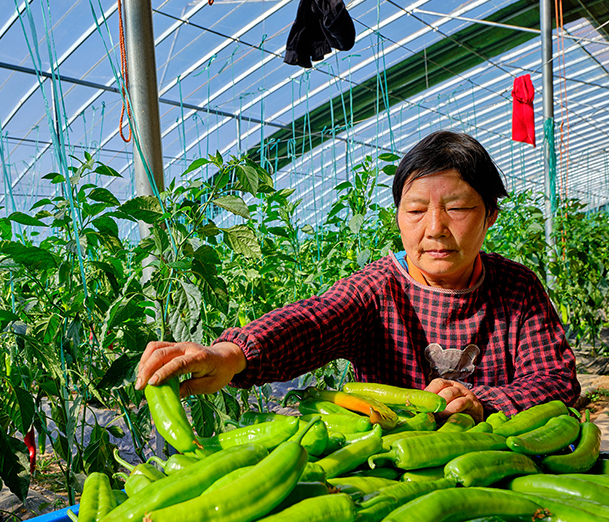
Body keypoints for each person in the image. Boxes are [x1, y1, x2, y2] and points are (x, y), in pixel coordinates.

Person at [134, 130, 580, 422]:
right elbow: (315, 320)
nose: (435, 228)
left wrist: (485, 402)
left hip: (500, 465)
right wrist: (232, 353)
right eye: (416, 210)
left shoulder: (516, 288)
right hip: (390, 469)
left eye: (459, 208)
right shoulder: (379, 289)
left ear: (490, 217)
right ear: (398, 218)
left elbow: (556, 381)